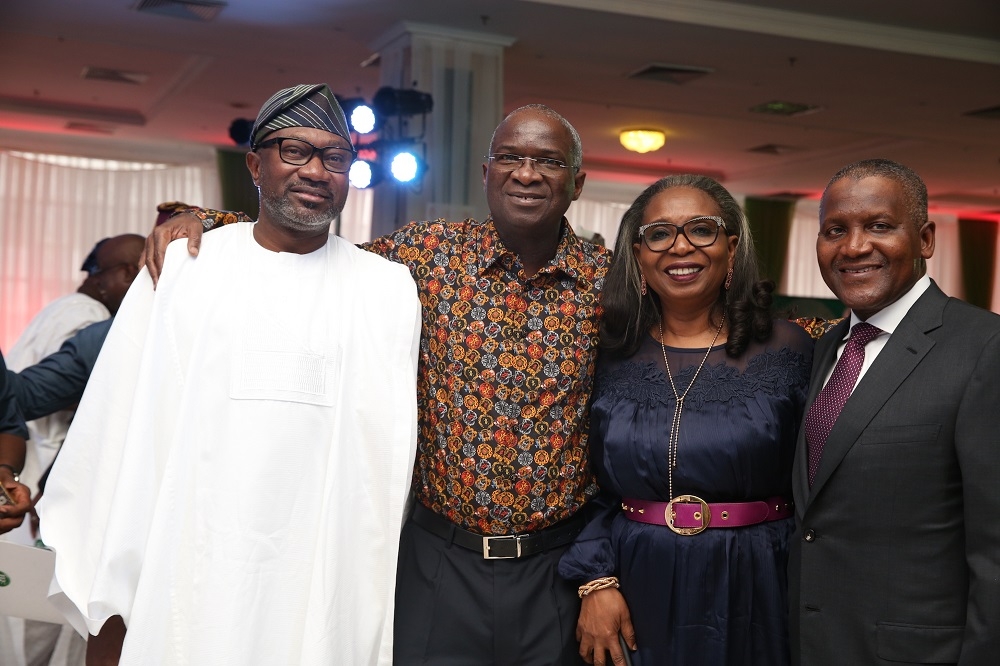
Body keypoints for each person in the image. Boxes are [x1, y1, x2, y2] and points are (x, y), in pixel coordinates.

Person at [145, 103, 610, 665]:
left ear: (578, 182)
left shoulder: (609, 283)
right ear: (485, 174)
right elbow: (310, 251)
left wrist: (599, 574)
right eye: (510, 158)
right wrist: (198, 217)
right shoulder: (428, 254)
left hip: (558, 567)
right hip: (438, 557)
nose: (527, 174)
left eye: (549, 162)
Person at [37, 84, 422, 665]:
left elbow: (385, 460)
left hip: (320, 578)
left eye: (334, 158)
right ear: (255, 164)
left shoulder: (387, 289)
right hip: (189, 572)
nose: (316, 170)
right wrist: (110, 608)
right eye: (294, 151)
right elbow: (121, 433)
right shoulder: (185, 268)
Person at [558, 175, 813, 666]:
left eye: (701, 230)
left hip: (757, 577)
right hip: (635, 580)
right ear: (637, 253)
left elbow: (822, 485)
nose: (680, 247)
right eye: (659, 233)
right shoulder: (608, 353)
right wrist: (595, 581)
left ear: (732, 246)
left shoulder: (790, 349)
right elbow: (585, 486)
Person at [789, 159, 1000, 665]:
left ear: (925, 239)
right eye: (835, 230)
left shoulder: (984, 349)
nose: (855, 246)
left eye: (879, 226)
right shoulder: (826, 348)